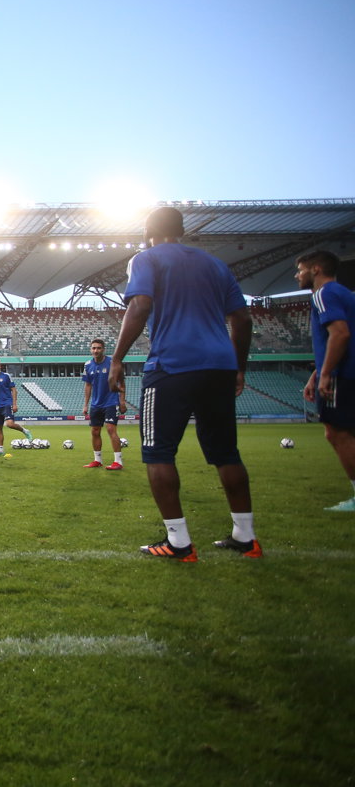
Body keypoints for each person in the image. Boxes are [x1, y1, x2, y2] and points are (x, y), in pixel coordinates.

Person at [108, 206, 259, 561]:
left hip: (172, 364)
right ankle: (246, 536)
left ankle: (178, 542)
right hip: (220, 366)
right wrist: (238, 367)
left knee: (158, 452)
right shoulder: (215, 265)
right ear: (182, 231)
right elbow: (243, 319)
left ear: (148, 231)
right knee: (226, 452)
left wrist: (117, 359)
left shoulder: (147, 259)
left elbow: (141, 304)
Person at [296, 250, 355, 511]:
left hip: (343, 376)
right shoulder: (345, 293)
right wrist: (316, 374)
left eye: (300, 270)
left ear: (315, 269)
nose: (297, 275)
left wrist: (327, 373)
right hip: (345, 372)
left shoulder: (323, 294)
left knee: (337, 433)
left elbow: (339, 335)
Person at [82, 339, 125, 470]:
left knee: (111, 429)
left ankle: (118, 462)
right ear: (91, 349)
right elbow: (88, 385)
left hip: (111, 401)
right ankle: (97, 460)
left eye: (99, 348)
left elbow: (122, 383)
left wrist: (122, 401)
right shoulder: (88, 365)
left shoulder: (113, 363)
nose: (96, 350)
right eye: (93, 348)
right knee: (95, 431)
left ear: (103, 349)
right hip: (96, 404)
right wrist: (85, 405)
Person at [0, 358, 32, 456]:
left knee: (10, 424)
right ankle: (0, 450)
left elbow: (14, 390)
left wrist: (14, 404)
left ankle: (25, 430)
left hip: (7, 404)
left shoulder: (6, 376)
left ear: (0, 366)